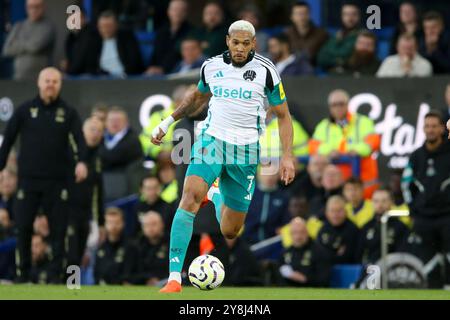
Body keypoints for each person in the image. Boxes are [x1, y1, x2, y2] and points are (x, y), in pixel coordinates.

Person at [151, 20, 295, 293]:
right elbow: (197, 97)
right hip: (212, 140)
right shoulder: (211, 66)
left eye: (246, 43)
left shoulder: (267, 71)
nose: (240, 48)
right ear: (227, 41)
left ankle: (216, 194)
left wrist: (287, 156)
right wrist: (167, 121)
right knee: (189, 197)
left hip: (246, 150)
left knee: (230, 230)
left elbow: (283, 115)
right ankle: (173, 278)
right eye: (235, 42)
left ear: (254, 44)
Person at [0, 67, 88, 283]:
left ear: (60, 85)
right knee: (23, 229)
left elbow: (79, 140)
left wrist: (82, 162)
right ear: (39, 83)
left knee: (59, 231)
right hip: (28, 181)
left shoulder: (68, 112)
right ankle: (22, 274)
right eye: (47, 80)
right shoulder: (24, 110)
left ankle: (56, 275)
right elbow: (8, 139)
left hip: (57, 182)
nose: (50, 84)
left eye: (55, 81)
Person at [402, 110, 450, 288]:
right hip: (423, 217)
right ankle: (435, 291)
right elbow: (406, 184)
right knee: (429, 261)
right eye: (427, 126)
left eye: (434, 126)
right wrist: (412, 209)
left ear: (442, 129)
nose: (430, 130)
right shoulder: (416, 156)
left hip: (447, 216)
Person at [309, 89, 380, 198]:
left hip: (362, 179)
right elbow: (313, 146)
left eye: (341, 104)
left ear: (348, 104)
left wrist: (356, 150)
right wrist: (329, 151)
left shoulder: (363, 121)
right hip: (336, 182)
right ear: (330, 107)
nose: (338, 107)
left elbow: (373, 141)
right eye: (334, 104)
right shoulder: (323, 126)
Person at [67, 117, 105, 267]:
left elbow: (98, 192)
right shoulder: (69, 153)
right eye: (92, 129)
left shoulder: (98, 158)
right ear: (82, 131)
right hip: (66, 211)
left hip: (84, 214)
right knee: (69, 252)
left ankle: (72, 287)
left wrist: (99, 222)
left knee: (78, 254)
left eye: (99, 131)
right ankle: (58, 282)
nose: (95, 134)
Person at [67, 10, 144, 77]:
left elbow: (135, 63)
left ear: (116, 25)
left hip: (125, 78)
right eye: (102, 26)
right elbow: (89, 66)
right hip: (102, 80)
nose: (106, 29)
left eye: (109, 26)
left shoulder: (127, 38)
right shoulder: (94, 42)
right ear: (98, 27)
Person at [2, 0, 55, 80]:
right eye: (30, 7)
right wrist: (27, 44)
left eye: (37, 7)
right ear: (26, 8)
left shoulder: (48, 27)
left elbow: (35, 47)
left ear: (43, 7)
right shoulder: (18, 26)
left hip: (41, 79)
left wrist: (18, 44)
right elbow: (7, 50)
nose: (34, 10)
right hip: (19, 77)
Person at [99, 107, 143, 202]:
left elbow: (113, 158)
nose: (115, 123)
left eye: (118, 120)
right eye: (111, 120)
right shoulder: (99, 139)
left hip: (126, 190)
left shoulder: (133, 140)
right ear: (105, 123)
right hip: (102, 190)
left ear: (126, 122)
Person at [356, 188, 409, 265]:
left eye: (384, 201)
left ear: (391, 202)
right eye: (376, 201)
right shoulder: (366, 227)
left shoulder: (400, 227)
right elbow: (358, 255)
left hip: (393, 269)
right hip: (371, 270)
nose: (380, 205)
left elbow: (404, 254)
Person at [243, 165, 290, 245]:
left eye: (273, 174)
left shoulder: (283, 197)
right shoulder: (247, 194)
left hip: (273, 243)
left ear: (278, 176)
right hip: (247, 241)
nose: (269, 177)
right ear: (258, 175)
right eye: (266, 173)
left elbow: (286, 220)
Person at [279, 217, 331, 287]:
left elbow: (324, 280)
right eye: (295, 233)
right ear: (290, 234)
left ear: (307, 232)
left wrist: (304, 279)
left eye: (301, 232)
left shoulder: (319, 251)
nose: (298, 236)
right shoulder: (285, 253)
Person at [146, 0, 192, 75]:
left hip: (178, 74)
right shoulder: (161, 31)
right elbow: (155, 54)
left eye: (181, 10)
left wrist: (163, 69)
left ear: (186, 13)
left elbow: (180, 56)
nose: (178, 13)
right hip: (156, 74)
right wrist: (151, 67)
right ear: (168, 12)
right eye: (175, 10)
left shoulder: (191, 32)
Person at [124, 211, 169, 285]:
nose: (150, 228)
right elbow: (128, 274)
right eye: (147, 225)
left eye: (154, 224)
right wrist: (146, 280)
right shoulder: (135, 246)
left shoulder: (171, 244)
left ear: (162, 225)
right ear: (142, 227)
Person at [317, 3, 362, 72]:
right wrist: (340, 60)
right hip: (332, 75)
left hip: (353, 75)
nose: (350, 18)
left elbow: (352, 60)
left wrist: (333, 56)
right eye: (346, 14)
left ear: (359, 16)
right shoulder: (335, 35)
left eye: (353, 14)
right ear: (342, 16)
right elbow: (321, 58)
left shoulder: (363, 36)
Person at [94, 207, 134, 285]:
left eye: (117, 222)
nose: (113, 226)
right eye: (110, 222)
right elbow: (97, 274)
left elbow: (132, 275)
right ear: (105, 224)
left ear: (123, 223)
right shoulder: (101, 248)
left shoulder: (131, 247)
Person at [316, 195, 360, 265]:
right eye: (332, 211)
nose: (335, 215)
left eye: (339, 211)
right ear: (326, 213)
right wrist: (335, 253)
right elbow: (318, 254)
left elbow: (348, 257)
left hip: (348, 270)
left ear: (345, 212)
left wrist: (328, 253)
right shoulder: (323, 229)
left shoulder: (353, 230)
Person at [284, 1, 328, 65]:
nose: (302, 17)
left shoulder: (321, 34)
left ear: (310, 15)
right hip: (291, 70)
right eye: (298, 14)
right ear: (291, 17)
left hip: (313, 71)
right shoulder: (286, 34)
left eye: (305, 13)